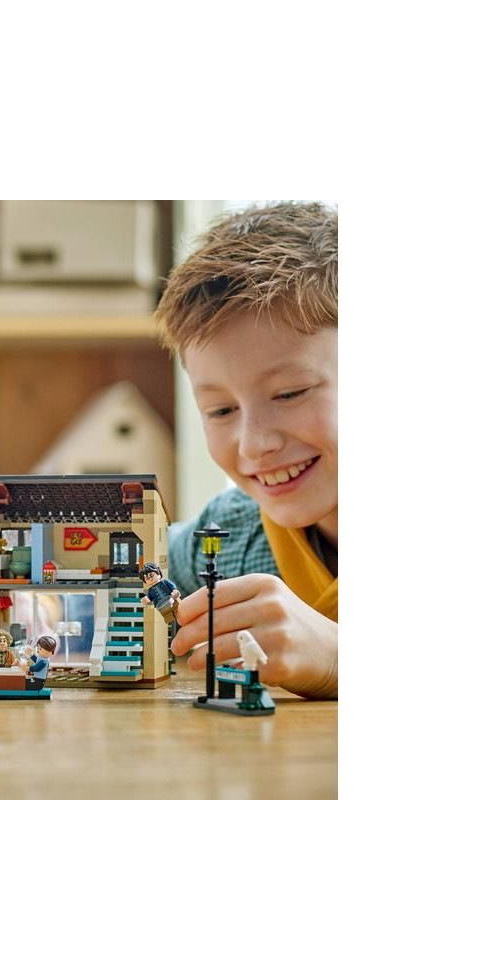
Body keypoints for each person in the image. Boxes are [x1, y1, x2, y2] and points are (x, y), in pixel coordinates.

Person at [155, 201, 338, 699]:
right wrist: (45, 608)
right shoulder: (229, 533)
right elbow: (124, 580)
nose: (255, 445)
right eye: (220, 410)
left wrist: (336, 659)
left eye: (290, 393)